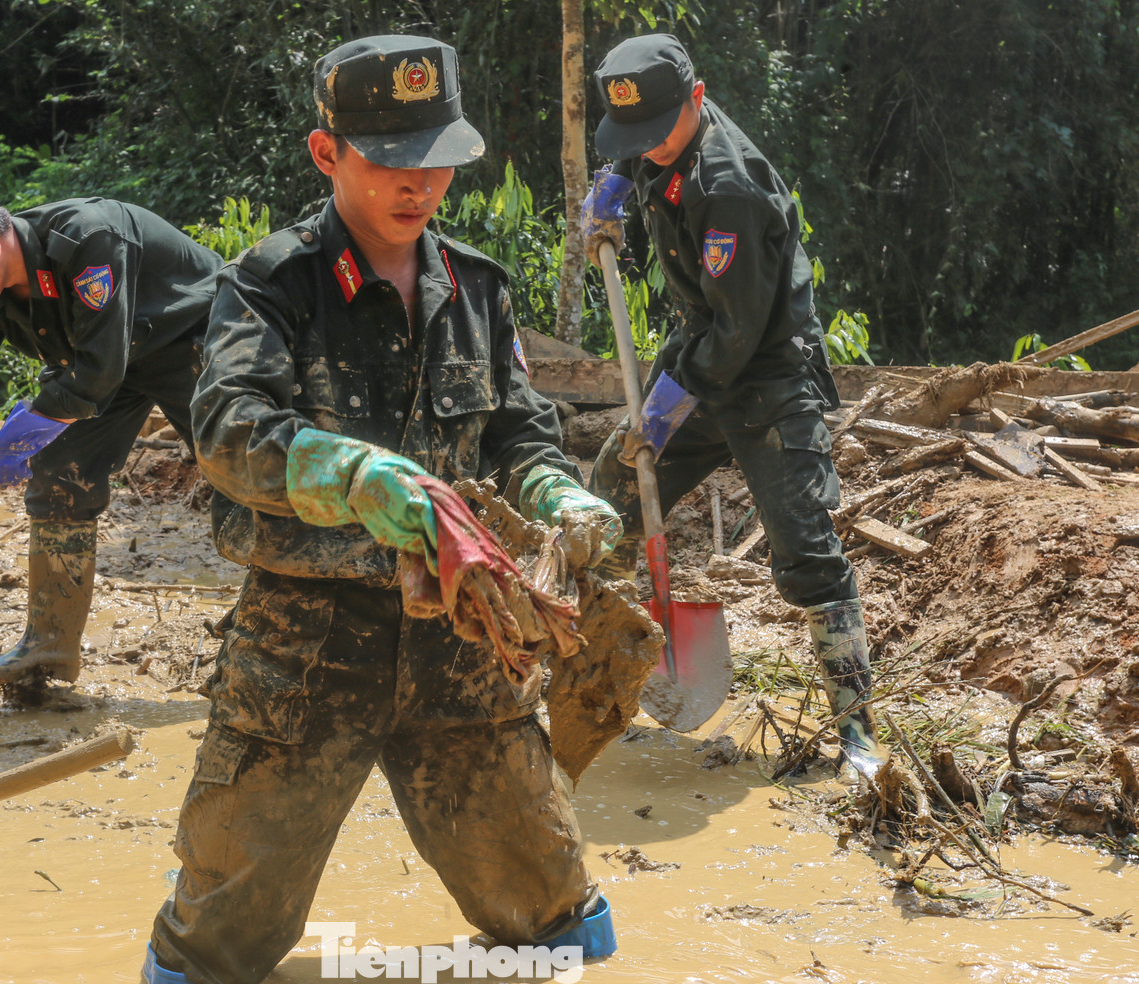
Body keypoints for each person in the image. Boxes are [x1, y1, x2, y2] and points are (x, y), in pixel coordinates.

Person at [141, 34, 621, 984]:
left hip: (465, 642)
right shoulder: (270, 285)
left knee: (548, 916)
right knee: (218, 941)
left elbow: (517, 431)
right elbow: (227, 427)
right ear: (328, 155)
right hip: (306, 648)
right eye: (392, 162)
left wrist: (556, 491)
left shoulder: (477, 289)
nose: (419, 185)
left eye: (437, 161)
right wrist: (351, 475)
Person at [580, 34, 884, 774]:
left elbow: (739, 332)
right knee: (606, 498)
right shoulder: (656, 141)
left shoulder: (729, 186)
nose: (645, 148)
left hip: (767, 378)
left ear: (698, 95)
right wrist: (611, 190)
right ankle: (592, 671)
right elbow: (635, 146)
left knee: (807, 551)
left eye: (655, 134)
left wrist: (664, 411)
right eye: (633, 138)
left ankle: (857, 731)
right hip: (699, 358)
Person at [0, 182, 224, 686]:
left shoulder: (89, 241)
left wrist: (19, 438)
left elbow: (97, 372)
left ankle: (277, 627)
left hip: (193, 339)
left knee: (241, 473)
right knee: (57, 474)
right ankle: (49, 647)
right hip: (105, 368)